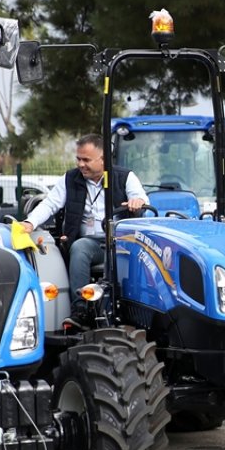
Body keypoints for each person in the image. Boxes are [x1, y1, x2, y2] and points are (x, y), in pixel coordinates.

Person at [22, 133, 148, 329]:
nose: (81, 164)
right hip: (89, 243)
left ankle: (119, 309)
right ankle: (80, 310)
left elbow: (142, 200)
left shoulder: (125, 177)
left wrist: (137, 202)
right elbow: (50, 204)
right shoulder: (70, 179)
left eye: (86, 160)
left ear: (104, 159)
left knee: (117, 254)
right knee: (80, 247)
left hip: (119, 242)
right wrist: (29, 223)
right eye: (78, 159)